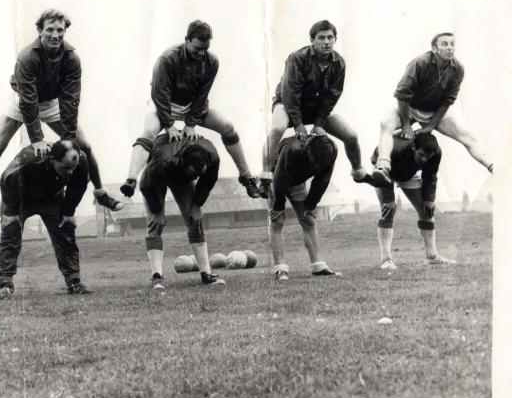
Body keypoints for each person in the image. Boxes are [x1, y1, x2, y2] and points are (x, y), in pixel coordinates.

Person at [0, 9, 123, 225]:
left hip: (51, 103)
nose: (55, 35)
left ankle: (100, 194)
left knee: (84, 146)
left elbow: (70, 101)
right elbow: (28, 101)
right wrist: (37, 139)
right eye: (49, 30)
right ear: (40, 31)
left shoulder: (72, 58)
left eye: (60, 30)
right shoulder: (27, 56)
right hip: (22, 99)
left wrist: (69, 140)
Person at [122, 20, 261, 201]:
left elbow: (202, 95)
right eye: (197, 49)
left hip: (191, 107)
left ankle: (246, 176)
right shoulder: (167, 59)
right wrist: (169, 125)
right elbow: (159, 94)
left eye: (205, 49)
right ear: (187, 40)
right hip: (165, 104)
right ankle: (131, 178)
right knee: (148, 131)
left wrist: (190, 124)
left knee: (228, 126)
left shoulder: (211, 61)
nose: (201, 54)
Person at [370, 32, 493, 188]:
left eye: (452, 44)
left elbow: (448, 100)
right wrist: (406, 124)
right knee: (386, 123)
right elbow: (402, 95)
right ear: (434, 48)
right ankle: (383, 166)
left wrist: (430, 126)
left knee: (468, 136)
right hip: (411, 107)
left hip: (435, 111)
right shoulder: (419, 63)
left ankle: (495, 168)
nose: (450, 48)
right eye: (445, 44)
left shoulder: (458, 69)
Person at [261, 20, 368, 196]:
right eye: (321, 38)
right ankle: (265, 176)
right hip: (288, 105)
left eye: (330, 37)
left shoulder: (339, 63)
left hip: (315, 109)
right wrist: (298, 124)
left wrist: (319, 123)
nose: (326, 42)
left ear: (335, 39)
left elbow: (332, 96)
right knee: (276, 129)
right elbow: (290, 93)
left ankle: (357, 171)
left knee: (351, 136)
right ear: (312, 40)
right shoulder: (297, 58)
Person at [0, 140, 92, 297]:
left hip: (51, 198)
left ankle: (74, 282)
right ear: (52, 160)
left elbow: (79, 185)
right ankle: (5, 285)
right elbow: (7, 178)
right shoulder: (31, 157)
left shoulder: (80, 160)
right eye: (65, 168)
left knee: (64, 231)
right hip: (21, 198)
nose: (71, 172)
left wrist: (68, 211)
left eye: (73, 168)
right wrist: (11, 212)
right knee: (10, 233)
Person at [139, 134, 226, 289]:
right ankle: (157, 276)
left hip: (179, 172)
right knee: (155, 223)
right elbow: (145, 184)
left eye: (199, 175)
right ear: (183, 163)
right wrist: (157, 211)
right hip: (156, 177)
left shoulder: (212, 158)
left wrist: (197, 205)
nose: (196, 178)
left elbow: (208, 181)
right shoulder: (162, 162)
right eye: (194, 175)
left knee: (195, 221)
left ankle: (206, 274)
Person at [363, 130, 453, 270]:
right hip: (384, 168)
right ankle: (386, 260)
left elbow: (430, 175)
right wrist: (389, 199)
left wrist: (429, 199)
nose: (424, 159)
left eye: (427, 156)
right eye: (421, 154)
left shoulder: (435, 154)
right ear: (413, 147)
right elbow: (385, 172)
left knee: (426, 210)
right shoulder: (396, 148)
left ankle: (432, 256)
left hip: (408, 171)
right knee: (388, 210)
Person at [267, 133, 342, 280]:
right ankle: (280, 269)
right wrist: (278, 206)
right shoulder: (292, 149)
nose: (316, 167)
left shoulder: (331, 150)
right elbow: (279, 179)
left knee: (308, 220)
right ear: (308, 151)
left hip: (297, 181)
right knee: (277, 220)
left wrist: (311, 204)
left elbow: (323, 179)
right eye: (314, 163)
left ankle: (318, 266)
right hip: (276, 176)